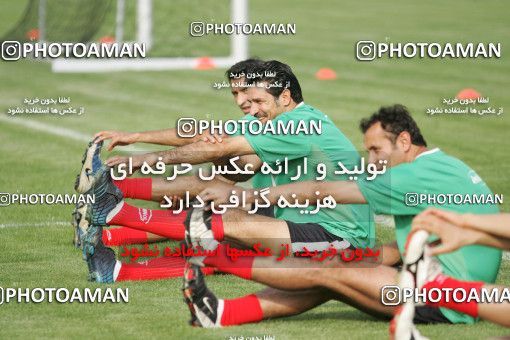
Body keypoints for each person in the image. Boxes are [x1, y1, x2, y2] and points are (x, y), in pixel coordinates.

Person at [181, 104, 501, 332]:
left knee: (331, 269)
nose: (372, 161)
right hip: (443, 278)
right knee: (341, 270)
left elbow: (321, 189)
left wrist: (247, 196)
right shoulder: (444, 165)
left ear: (404, 141)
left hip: (446, 298)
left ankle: (219, 261)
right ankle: (221, 312)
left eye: (377, 151)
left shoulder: (408, 177)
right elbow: (416, 243)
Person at [75, 60, 375, 288]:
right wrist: (136, 136)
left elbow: (219, 148)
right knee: (217, 230)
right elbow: (209, 136)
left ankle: (115, 211)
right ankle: (114, 268)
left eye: (258, 101)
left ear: (285, 97)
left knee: (227, 224)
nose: (249, 108)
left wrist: (145, 160)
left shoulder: (299, 126)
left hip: (340, 239)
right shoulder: (278, 120)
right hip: (297, 219)